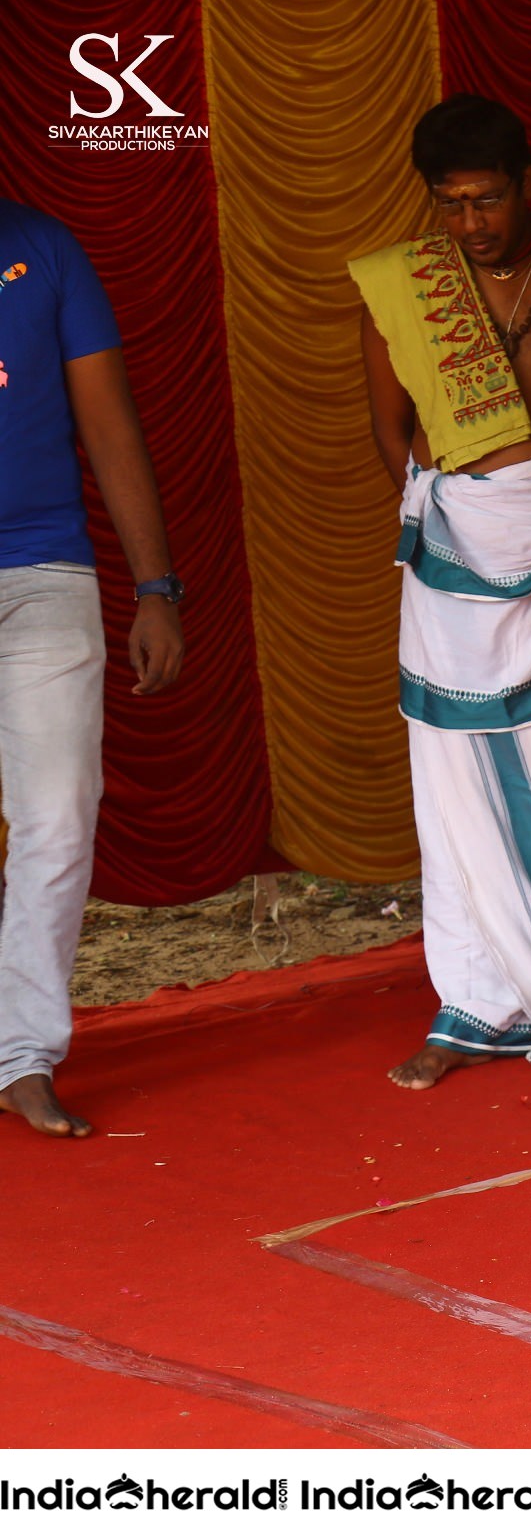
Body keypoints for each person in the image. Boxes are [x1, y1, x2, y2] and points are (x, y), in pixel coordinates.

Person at [351, 95, 531, 1089]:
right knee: (455, 785)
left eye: (487, 199)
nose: (469, 223)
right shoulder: (407, 288)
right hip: (455, 558)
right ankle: (481, 1002)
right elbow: (392, 427)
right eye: (450, 204)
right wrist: (453, 520)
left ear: (527, 184)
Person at [0, 198, 185, 1138]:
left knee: (60, 810)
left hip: (40, 566)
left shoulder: (45, 248)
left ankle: (20, 1053)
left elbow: (108, 424)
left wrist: (157, 585)